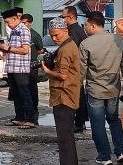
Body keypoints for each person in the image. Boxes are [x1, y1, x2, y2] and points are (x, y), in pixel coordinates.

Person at [80, 11, 123, 164]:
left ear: (93, 25)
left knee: (98, 123)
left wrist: (75, 89)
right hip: (114, 88)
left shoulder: (86, 43)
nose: (85, 28)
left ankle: (104, 156)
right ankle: (120, 151)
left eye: (86, 25)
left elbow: (81, 70)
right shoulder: (118, 39)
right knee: (114, 119)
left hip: (95, 89)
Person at [41, 17, 80, 165]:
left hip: (64, 96)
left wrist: (47, 71)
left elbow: (63, 75)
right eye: (51, 35)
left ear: (65, 31)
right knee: (66, 135)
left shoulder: (65, 48)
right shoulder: (68, 45)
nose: (54, 38)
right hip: (67, 95)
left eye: (56, 34)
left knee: (64, 137)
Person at [0, 7, 35, 129]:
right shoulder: (14, 31)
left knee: (24, 94)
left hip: (20, 68)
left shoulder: (23, 30)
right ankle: (19, 117)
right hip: (12, 67)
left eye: (8, 21)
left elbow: (25, 49)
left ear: (15, 18)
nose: (7, 24)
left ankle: (30, 119)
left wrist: (8, 48)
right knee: (16, 95)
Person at [61, 6, 88, 133]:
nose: (63, 20)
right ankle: (80, 122)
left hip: (76, 68)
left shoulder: (74, 31)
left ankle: (79, 122)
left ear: (71, 17)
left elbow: (72, 50)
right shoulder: (76, 30)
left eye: (63, 17)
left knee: (77, 96)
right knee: (78, 95)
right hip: (77, 67)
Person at [21, 13, 43, 124]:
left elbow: (40, 50)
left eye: (24, 22)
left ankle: (34, 110)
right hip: (21, 66)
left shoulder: (35, 35)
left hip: (32, 65)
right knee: (23, 90)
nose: (23, 24)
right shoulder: (19, 34)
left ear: (30, 23)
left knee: (32, 89)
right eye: (22, 22)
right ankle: (25, 112)